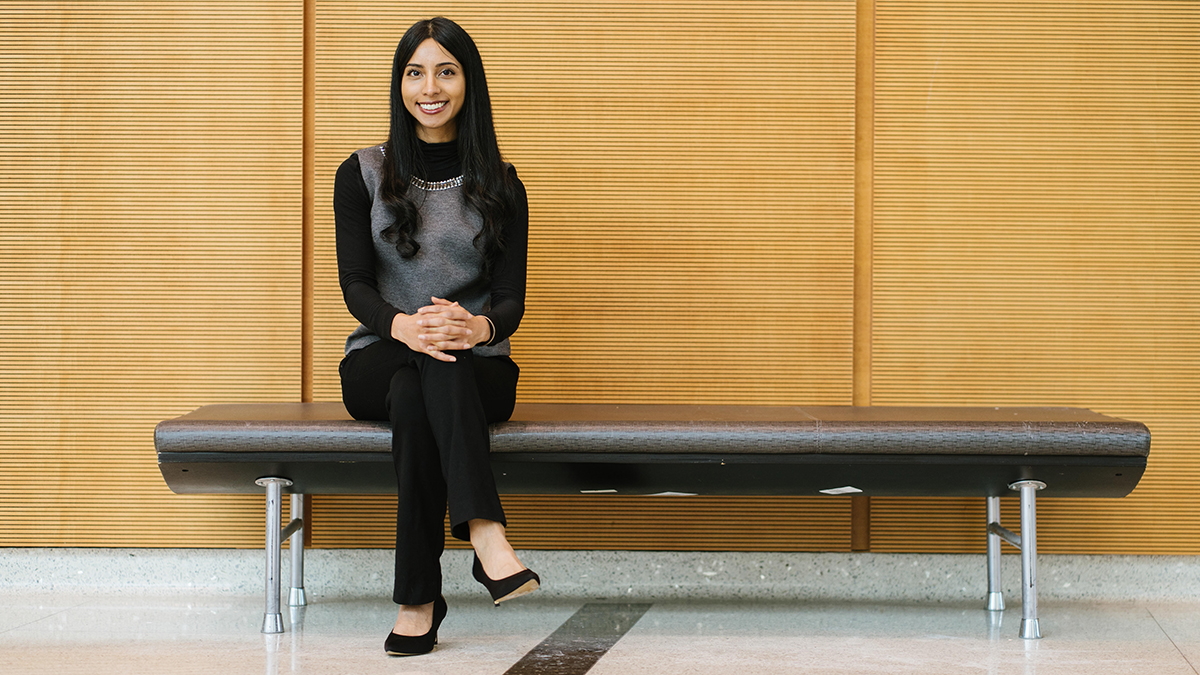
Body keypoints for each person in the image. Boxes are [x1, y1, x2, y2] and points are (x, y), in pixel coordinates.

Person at [333, 16, 538, 657]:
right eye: (415, 72)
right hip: (379, 353)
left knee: (430, 375)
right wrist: (406, 326)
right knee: (422, 358)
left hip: (476, 365)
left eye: (446, 71)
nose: (430, 87)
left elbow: (510, 300)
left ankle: (417, 598)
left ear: (467, 82)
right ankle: (485, 532)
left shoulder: (502, 183)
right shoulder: (363, 172)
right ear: (400, 84)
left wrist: (475, 325)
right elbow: (357, 286)